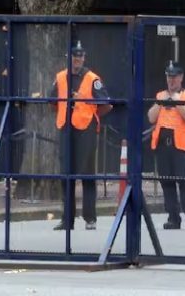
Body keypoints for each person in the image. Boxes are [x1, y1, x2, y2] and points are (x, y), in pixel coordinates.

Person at [50, 41, 112, 231]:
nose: (77, 60)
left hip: (86, 130)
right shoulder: (60, 77)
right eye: (74, 57)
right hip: (66, 128)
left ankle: (90, 218)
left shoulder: (92, 78)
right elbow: (52, 101)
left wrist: (90, 114)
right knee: (66, 175)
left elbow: (106, 104)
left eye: (80, 57)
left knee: (87, 175)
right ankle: (67, 219)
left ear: (84, 58)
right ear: (69, 58)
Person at [148, 61, 185, 230]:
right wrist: (161, 102)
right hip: (163, 146)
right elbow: (151, 117)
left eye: (174, 77)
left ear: (181, 78)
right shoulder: (160, 95)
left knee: (184, 183)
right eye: (169, 77)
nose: (171, 80)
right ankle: (173, 217)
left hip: (181, 146)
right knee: (167, 183)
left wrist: (177, 101)